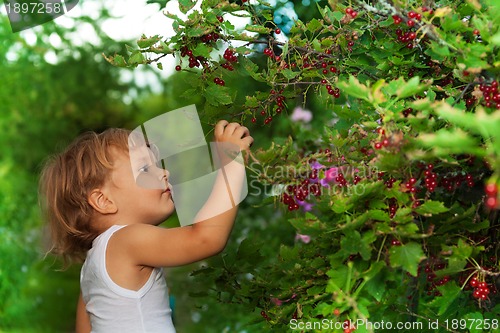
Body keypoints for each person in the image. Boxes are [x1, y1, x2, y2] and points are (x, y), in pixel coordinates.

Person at [38, 120, 253, 333]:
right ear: (104, 201)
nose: (164, 172)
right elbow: (206, 238)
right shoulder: (125, 240)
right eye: (144, 168)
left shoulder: (89, 272)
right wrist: (230, 162)